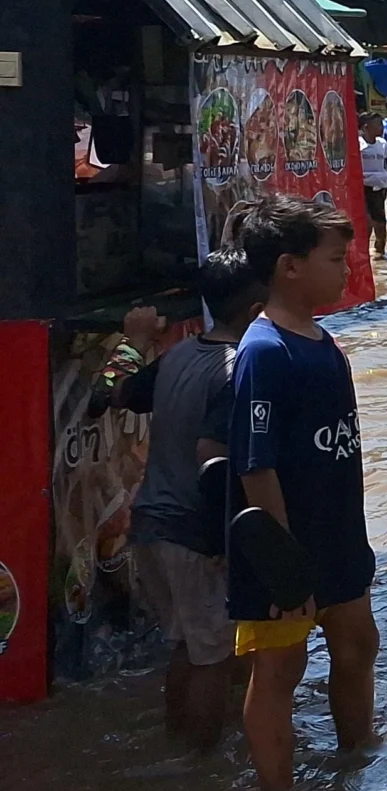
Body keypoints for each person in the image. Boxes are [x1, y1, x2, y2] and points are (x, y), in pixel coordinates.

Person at [226, 194, 379, 791]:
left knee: (359, 644)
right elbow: (255, 467)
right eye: (336, 259)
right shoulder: (265, 352)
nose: (347, 269)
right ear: (290, 266)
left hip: (339, 536)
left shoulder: (321, 339)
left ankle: (358, 763)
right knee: (280, 671)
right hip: (285, 547)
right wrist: (284, 567)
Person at [127, 251, 264, 749]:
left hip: (148, 525)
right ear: (255, 309)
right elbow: (219, 465)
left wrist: (136, 344)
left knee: (187, 646)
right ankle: (203, 765)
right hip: (196, 534)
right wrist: (222, 539)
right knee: (214, 658)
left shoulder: (179, 354)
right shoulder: (238, 370)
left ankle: (177, 749)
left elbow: (120, 394)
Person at [358, 112, 387, 258]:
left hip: (379, 188)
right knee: (367, 222)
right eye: (378, 124)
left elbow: (384, 164)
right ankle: (363, 253)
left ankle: (380, 253)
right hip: (362, 187)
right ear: (366, 127)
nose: (382, 127)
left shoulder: (383, 144)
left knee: (381, 224)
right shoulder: (357, 144)